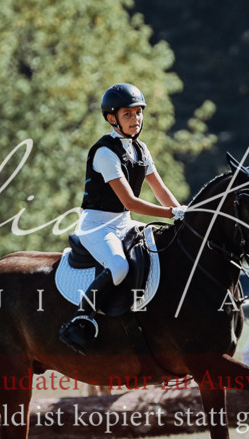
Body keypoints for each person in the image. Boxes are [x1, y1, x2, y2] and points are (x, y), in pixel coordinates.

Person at [59, 83, 187, 354]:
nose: (136, 119)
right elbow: (129, 201)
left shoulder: (140, 150)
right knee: (118, 265)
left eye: (139, 113)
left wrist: (182, 215)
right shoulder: (105, 152)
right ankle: (81, 318)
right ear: (111, 118)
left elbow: (160, 189)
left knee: (164, 246)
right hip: (97, 225)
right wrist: (171, 213)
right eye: (128, 114)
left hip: (124, 223)